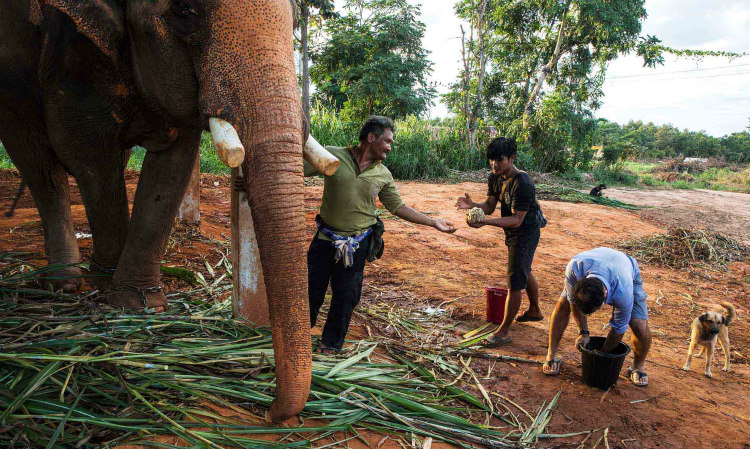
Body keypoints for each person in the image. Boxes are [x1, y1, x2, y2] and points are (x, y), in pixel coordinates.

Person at [306, 116, 456, 354]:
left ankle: (331, 344)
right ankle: (299, 336)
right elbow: (297, 169)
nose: (389, 147)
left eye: (391, 143)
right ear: (371, 138)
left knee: (346, 297)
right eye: (387, 141)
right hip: (325, 240)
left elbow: (397, 207)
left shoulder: (383, 174)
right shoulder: (333, 156)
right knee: (310, 290)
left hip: (357, 245)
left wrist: (432, 221)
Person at [456, 137, 545, 346]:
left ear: (512, 158)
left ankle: (503, 332)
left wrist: (486, 222)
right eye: (491, 160)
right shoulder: (495, 176)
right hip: (513, 228)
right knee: (524, 269)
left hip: (526, 230)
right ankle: (534, 310)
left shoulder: (523, 183)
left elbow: (517, 220)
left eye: (500, 160)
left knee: (515, 279)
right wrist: (472, 205)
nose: (494, 164)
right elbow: (489, 205)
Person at [542, 247, 652, 387]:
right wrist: (584, 332)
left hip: (626, 267)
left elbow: (619, 328)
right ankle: (551, 355)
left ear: (605, 295)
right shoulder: (575, 269)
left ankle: (638, 366)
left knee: (639, 325)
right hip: (593, 261)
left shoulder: (623, 290)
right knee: (563, 305)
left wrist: (601, 355)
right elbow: (573, 303)